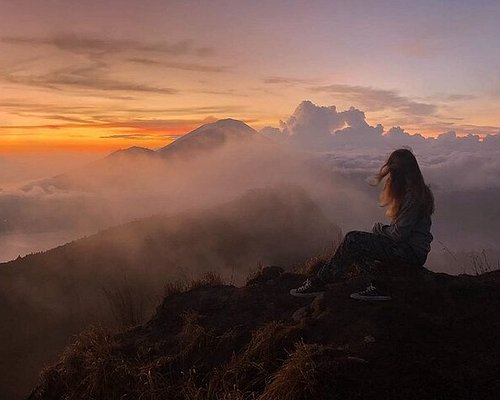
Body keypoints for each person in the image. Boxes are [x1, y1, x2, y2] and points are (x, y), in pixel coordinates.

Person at [290, 148, 434, 301]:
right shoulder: (415, 192)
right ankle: (377, 285)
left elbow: (399, 235)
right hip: (411, 251)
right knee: (358, 246)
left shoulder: (413, 196)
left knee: (353, 239)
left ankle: (321, 282)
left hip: (410, 253)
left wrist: (379, 229)